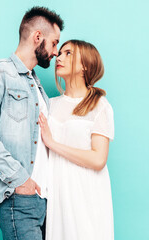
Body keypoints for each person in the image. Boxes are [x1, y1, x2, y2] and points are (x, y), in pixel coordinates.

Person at [0, 7, 64, 240]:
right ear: (37, 37)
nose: (55, 53)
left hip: (43, 200)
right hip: (19, 198)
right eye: (54, 43)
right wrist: (21, 181)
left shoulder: (36, 85)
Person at [38, 40, 115, 240]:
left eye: (68, 53)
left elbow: (98, 160)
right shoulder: (49, 105)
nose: (59, 58)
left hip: (86, 196)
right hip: (57, 195)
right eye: (60, 53)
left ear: (85, 65)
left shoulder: (99, 105)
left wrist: (53, 144)